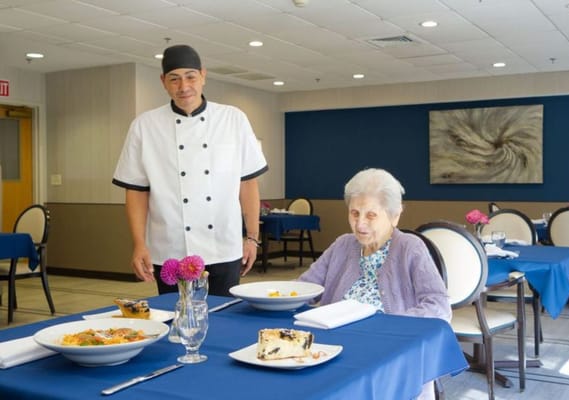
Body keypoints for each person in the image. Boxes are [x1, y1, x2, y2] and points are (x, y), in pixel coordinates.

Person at [112, 44, 268, 296]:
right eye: (174, 79)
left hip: (223, 246)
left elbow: (247, 183)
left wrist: (252, 238)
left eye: (190, 77)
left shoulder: (233, 119)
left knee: (225, 318)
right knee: (176, 318)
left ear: (203, 76)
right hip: (170, 249)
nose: (183, 87)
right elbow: (136, 191)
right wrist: (139, 244)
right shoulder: (144, 126)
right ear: (163, 82)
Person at [298, 168, 450, 400]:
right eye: (354, 213)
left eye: (371, 215)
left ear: (394, 215)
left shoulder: (410, 247)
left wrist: (385, 324)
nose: (360, 224)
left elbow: (439, 306)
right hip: (333, 346)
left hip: (387, 350)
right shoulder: (343, 244)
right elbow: (305, 288)